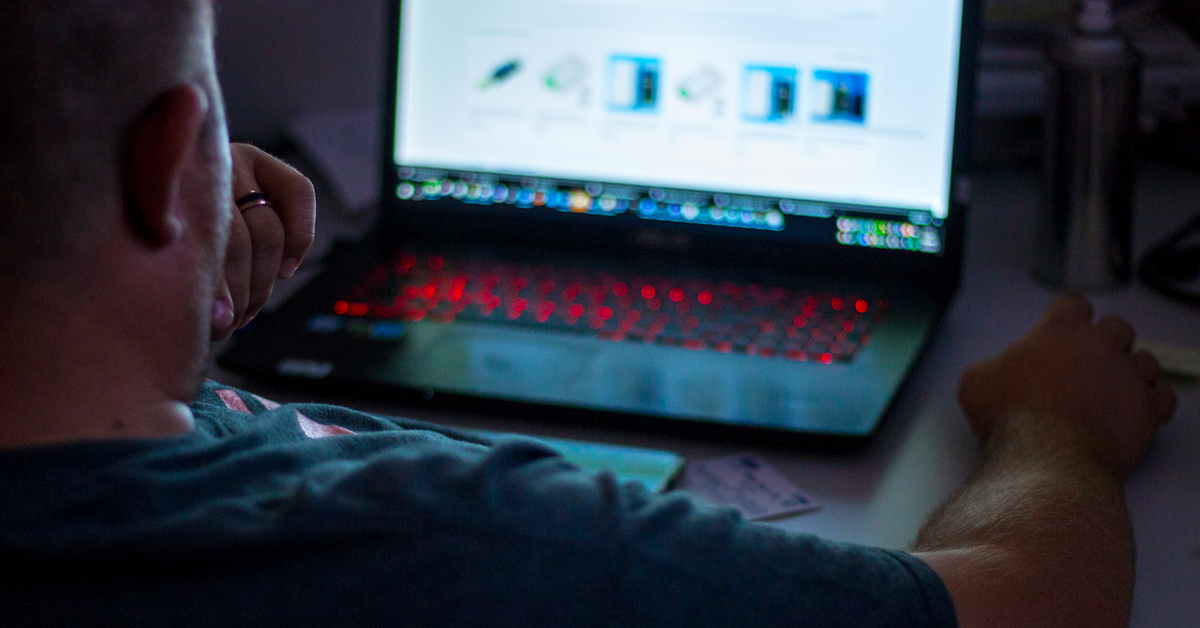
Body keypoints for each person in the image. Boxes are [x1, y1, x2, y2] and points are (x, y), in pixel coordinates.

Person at [0, 1, 1177, 626]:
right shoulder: (459, 546)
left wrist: (128, 294)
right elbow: (1034, 607)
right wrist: (1055, 425)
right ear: (166, 164)